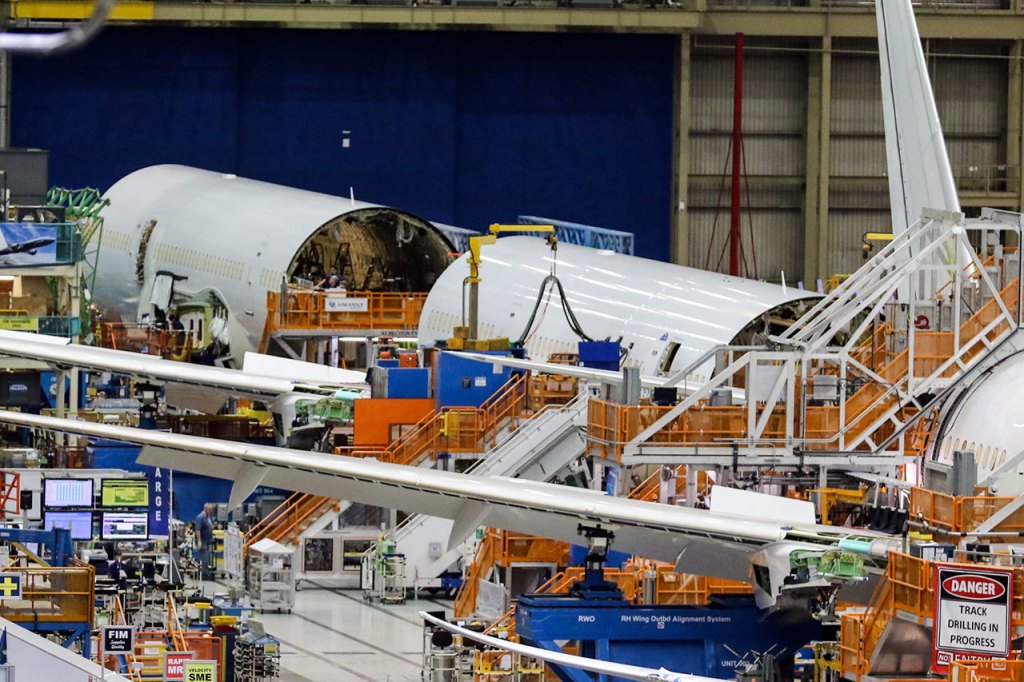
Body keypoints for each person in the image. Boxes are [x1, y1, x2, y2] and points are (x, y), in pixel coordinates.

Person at [194, 503, 216, 580]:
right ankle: (204, 574)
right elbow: (198, 529)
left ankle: (205, 572)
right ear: (206, 509)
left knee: (206, 558)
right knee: (204, 558)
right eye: (210, 509)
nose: (211, 511)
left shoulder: (208, 517)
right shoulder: (200, 517)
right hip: (202, 541)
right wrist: (199, 540)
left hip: (207, 541)